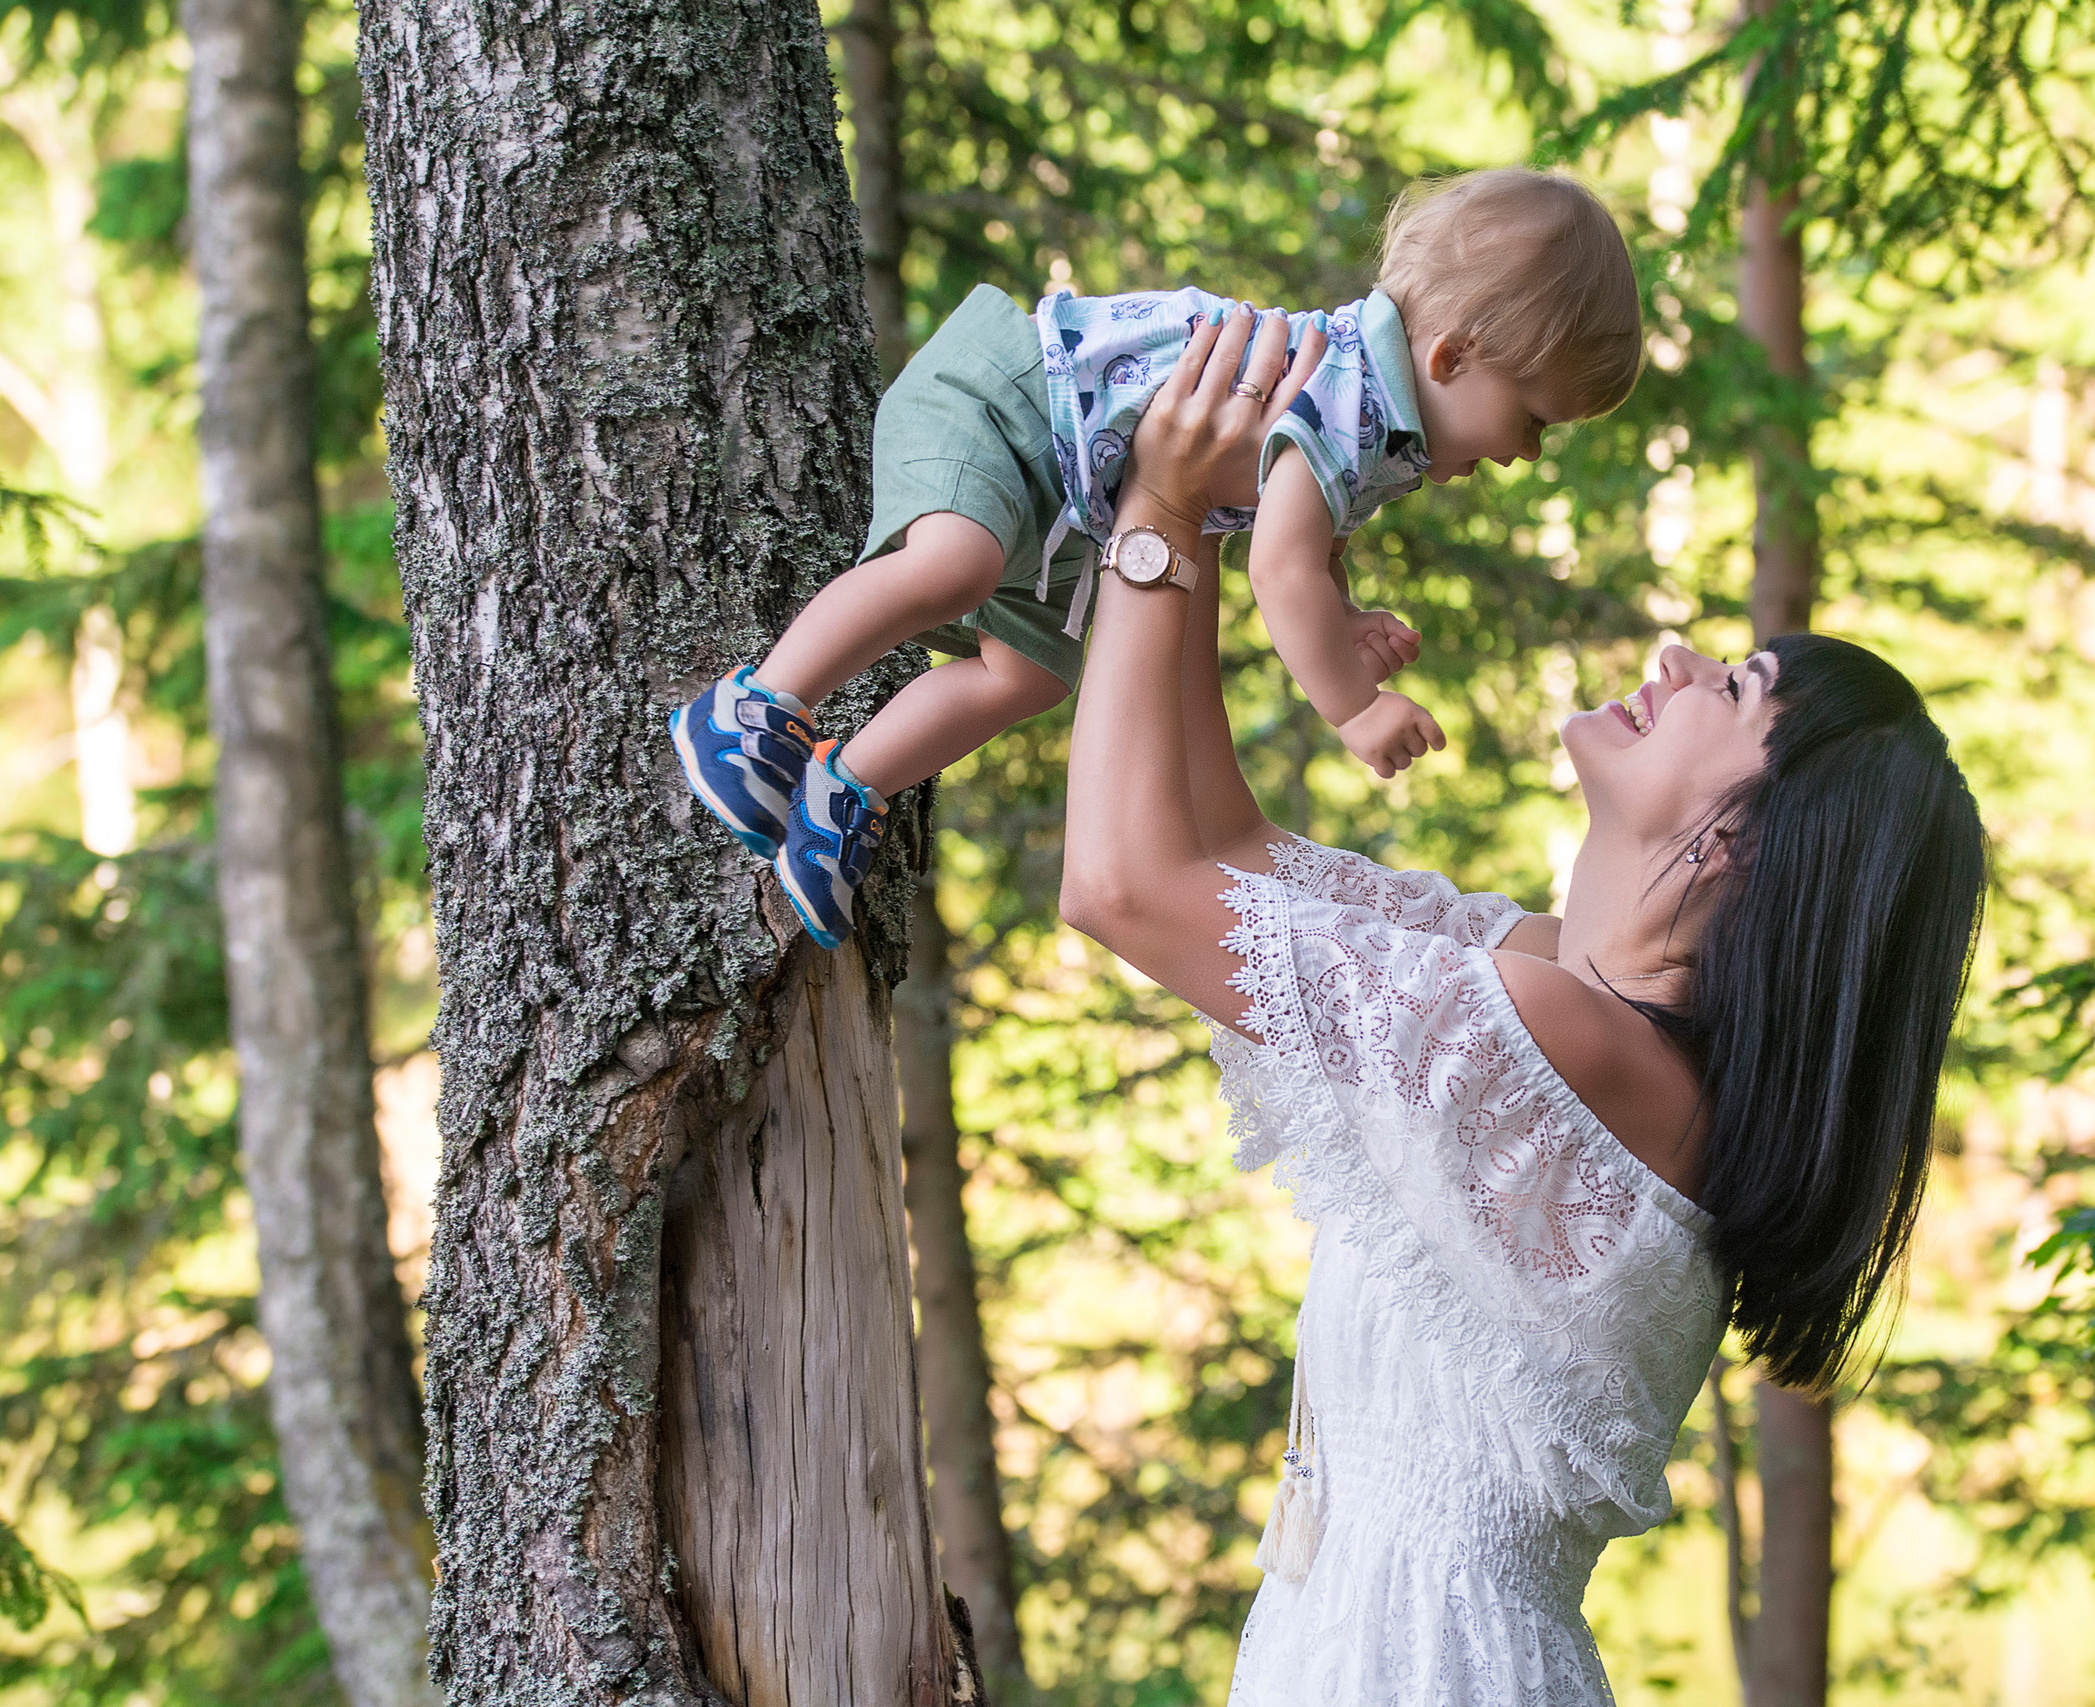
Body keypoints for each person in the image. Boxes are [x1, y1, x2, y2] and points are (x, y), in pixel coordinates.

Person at [1057, 309, 1989, 1704]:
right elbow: (1225, 856)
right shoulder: (1553, 989)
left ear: (1744, 841)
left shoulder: (1579, 1049)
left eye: (1729, 686)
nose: (1674, 660)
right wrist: (1197, 531)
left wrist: (1152, 516)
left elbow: (1125, 885)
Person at [671, 169, 1641, 948]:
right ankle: (755, 707)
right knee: (955, 566)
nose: (1522, 454)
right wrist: (1354, 706)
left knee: (1025, 679)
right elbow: (1280, 568)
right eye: (1532, 421)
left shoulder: (1385, 434)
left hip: (1068, 504)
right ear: (1452, 358)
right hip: (1011, 405)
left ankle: (844, 791)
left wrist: (1342, 623)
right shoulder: (1347, 395)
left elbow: (1315, 553)